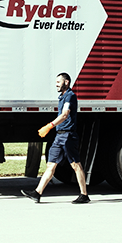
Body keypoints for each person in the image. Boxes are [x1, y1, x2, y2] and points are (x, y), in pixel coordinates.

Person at [22, 72, 89, 204]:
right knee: (51, 165)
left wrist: (49, 126)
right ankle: (37, 193)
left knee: (75, 165)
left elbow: (65, 115)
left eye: (58, 82)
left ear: (66, 82)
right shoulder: (62, 97)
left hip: (68, 135)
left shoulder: (70, 96)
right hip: (59, 136)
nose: (56, 85)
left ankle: (84, 195)